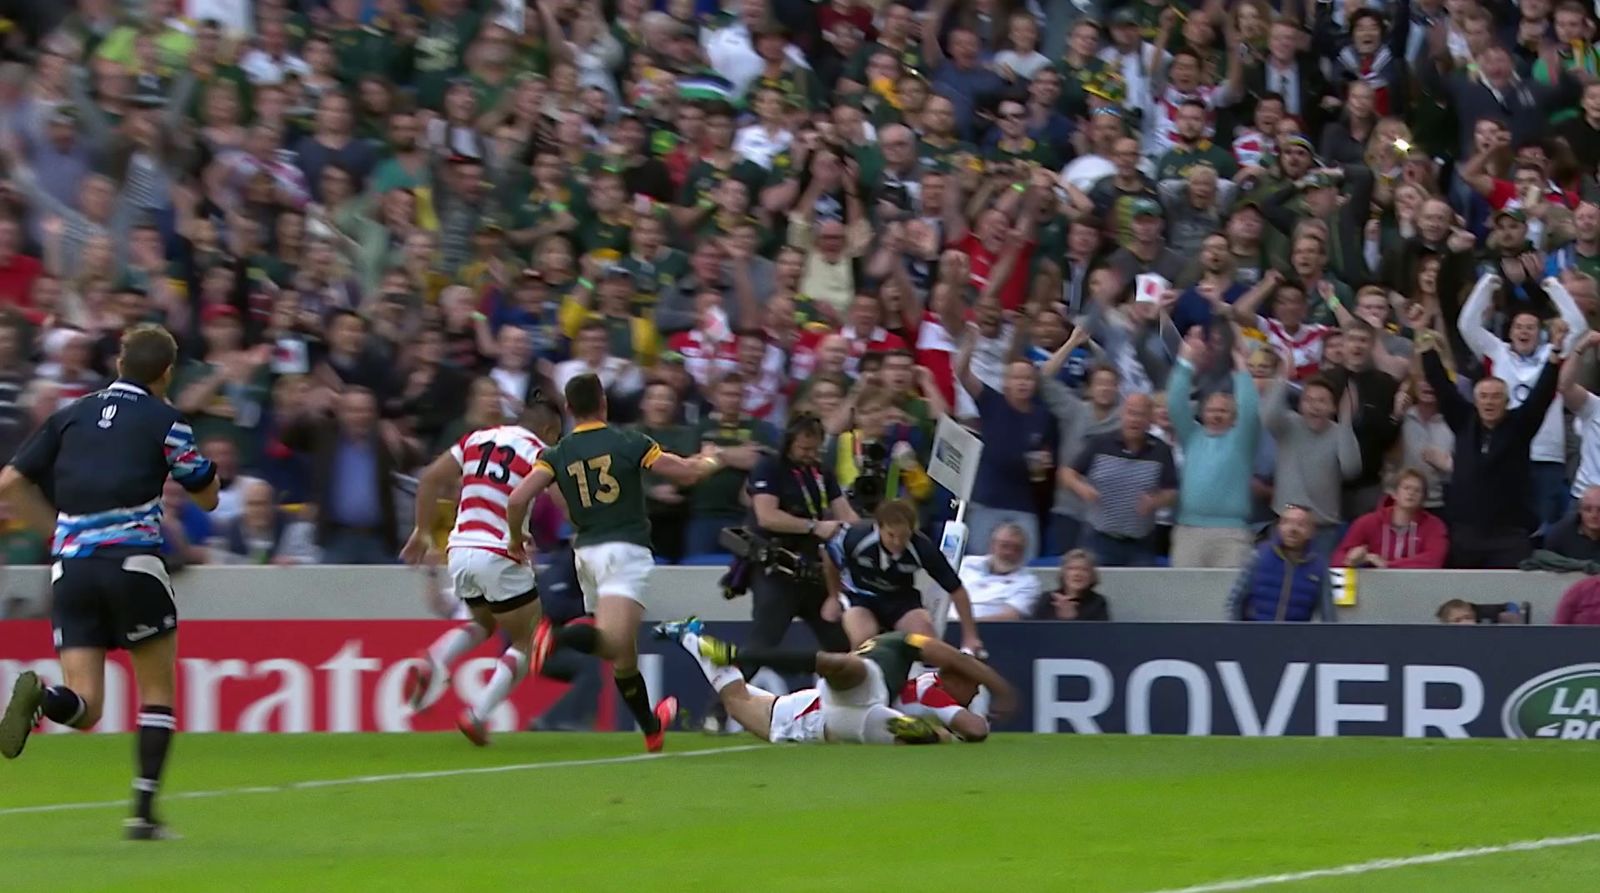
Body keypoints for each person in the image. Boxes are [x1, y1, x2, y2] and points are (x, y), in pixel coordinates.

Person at [0, 325, 220, 841]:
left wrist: (59, 533)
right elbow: (206, 495)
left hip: (71, 569)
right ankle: (142, 813)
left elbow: (9, 482)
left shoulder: (70, 413)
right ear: (167, 372)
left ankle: (46, 699)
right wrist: (207, 478)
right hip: (133, 564)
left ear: (119, 361)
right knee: (158, 691)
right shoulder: (167, 420)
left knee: (85, 703)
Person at [504, 373, 723, 752]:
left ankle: (651, 727)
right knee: (612, 642)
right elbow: (685, 473)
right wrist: (712, 460)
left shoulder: (556, 453)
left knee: (623, 657)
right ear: (603, 403)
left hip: (585, 554)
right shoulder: (629, 441)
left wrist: (515, 538)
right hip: (625, 550)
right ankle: (553, 635)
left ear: (570, 410)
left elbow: (516, 500)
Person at [398, 394, 565, 744]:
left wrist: (422, 531)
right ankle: (477, 715)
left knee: (484, 621)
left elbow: (429, 478)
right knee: (528, 636)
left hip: (459, 550)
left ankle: (435, 659)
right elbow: (563, 503)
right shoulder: (542, 453)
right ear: (550, 429)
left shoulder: (476, 438)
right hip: (498, 551)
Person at [663, 620, 1015, 745]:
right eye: (974, 686)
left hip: (823, 711)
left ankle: (689, 638)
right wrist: (1002, 692)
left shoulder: (910, 667)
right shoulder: (930, 685)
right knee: (850, 668)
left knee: (736, 699)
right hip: (861, 694)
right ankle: (737, 654)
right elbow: (975, 729)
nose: (975, 692)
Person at [1419, 320, 1562, 568]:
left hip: (1509, 534)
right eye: (1483, 396)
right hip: (1466, 532)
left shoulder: (1520, 426)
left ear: (1507, 401)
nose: (1489, 402)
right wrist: (1423, 337)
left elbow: (1541, 394)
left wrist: (1555, 354)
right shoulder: (1463, 421)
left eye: (1496, 397)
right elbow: (1442, 386)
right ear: (1475, 401)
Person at [822, 499, 983, 653]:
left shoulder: (923, 549)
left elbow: (957, 590)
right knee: (863, 642)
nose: (897, 542)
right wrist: (833, 596)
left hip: (900, 599)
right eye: (891, 535)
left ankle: (923, 679)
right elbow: (830, 556)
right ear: (878, 528)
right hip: (861, 596)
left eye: (904, 536)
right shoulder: (856, 538)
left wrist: (970, 636)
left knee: (928, 645)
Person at [1227, 505, 1337, 623]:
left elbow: (1328, 615)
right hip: (1255, 635)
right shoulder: (1259, 556)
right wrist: (1236, 634)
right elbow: (1235, 602)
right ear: (1279, 526)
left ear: (1311, 531)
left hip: (1295, 638)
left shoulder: (1318, 567)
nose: (1293, 529)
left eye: (1301, 524)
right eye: (1287, 522)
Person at [1331, 468, 1450, 569]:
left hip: (1417, 586)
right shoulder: (1368, 522)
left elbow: (1434, 559)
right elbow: (1338, 559)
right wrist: (1352, 559)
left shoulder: (1434, 526)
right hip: (1375, 586)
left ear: (1424, 498)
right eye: (1406, 488)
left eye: (1417, 490)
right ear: (1394, 493)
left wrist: (1387, 565)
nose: (1411, 493)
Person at [954, 522, 1042, 621]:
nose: (1009, 552)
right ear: (992, 545)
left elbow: (1010, 617)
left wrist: (966, 624)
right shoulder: (966, 563)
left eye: (1017, 549)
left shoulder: (1028, 583)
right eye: (1004, 546)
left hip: (987, 631)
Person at [1033, 549, 1111, 621]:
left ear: (1092, 576)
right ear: (1063, 574)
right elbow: (1035, 631)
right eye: (1072, 569)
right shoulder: (1047, 599)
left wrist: (1073, 618)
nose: (1077, 574)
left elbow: (1099, 634)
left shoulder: (1097, 602)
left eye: (1084, 569)